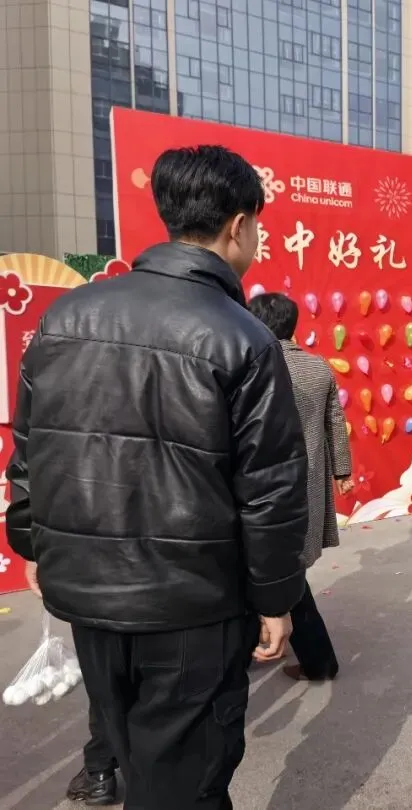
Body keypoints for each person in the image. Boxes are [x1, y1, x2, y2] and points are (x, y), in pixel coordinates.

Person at [6, 145, 309, 810]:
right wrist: (275, 599)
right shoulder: (242, 337)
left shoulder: (65, 318)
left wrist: (33, 545)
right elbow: (271, 490)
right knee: (184, 784)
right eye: (257, 228)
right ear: (238, 226)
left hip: (89, 595)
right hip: (191, 608)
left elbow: (29, 453)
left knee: (138, 760)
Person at [248, 292, 353, 682]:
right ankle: (303, 653)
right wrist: (342, 472)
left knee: (278, 574)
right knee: (285, 570)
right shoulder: (317, 367)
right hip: (306, 485)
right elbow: (335, 424)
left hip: (260, 489)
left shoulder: (252, 365)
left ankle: (318, 659)